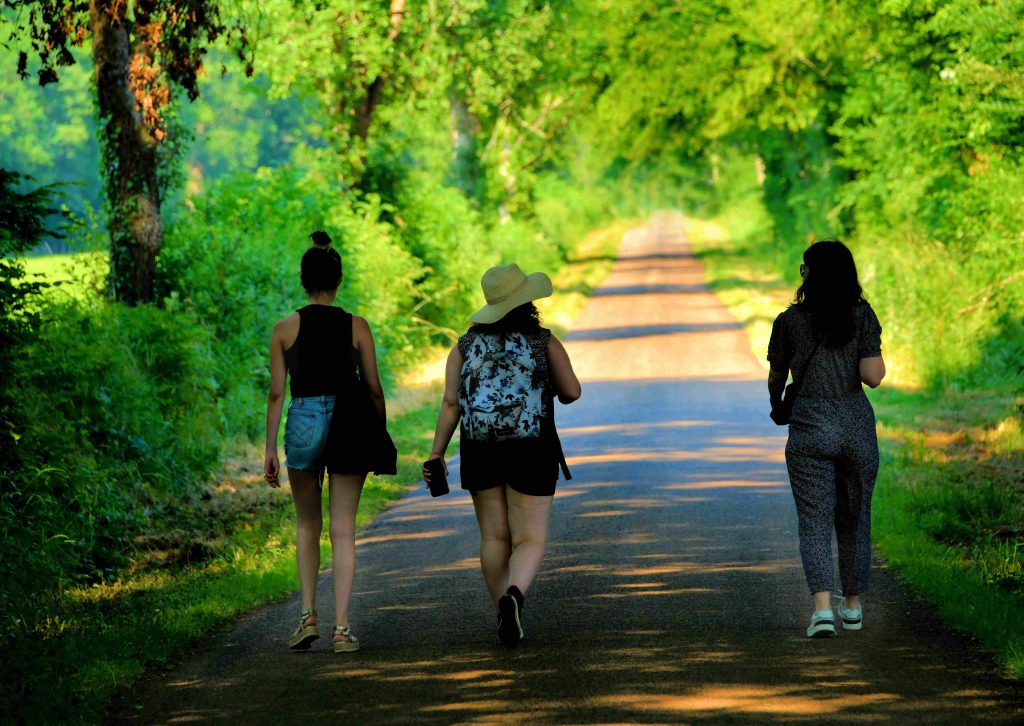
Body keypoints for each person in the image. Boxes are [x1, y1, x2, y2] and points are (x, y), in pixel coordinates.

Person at [424, 263, 581, 648]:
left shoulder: (464, 346)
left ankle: (501, 611)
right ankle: (514, 595)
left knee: (494, 537)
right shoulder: (544, 342)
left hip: (480, 448)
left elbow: (450, 404)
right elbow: (572, 391)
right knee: (529, 539)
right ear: (527, 301)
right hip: (532, 447)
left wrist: (436, 453)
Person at [264, 230, 387, 653]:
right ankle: (342, 629)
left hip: (302, 420)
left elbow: (277, 392)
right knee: (344, 531)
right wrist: (379, 433)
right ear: (339, 280)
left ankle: (307, 618)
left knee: (306, 524)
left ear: (303, 280)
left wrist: (268, 450)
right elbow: (373, 387)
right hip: (350, 422)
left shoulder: (284, 329)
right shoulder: (357, 326)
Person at [768, 240, 886, 638]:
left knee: (814, 521)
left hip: (808, 430)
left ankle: (822, 610)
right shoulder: (862, 316)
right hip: (855, 428)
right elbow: (873, 376)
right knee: (855, 516)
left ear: (809, 275)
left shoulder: (788, 322)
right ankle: (852, 606)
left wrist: (776, 405)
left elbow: (776, 377)